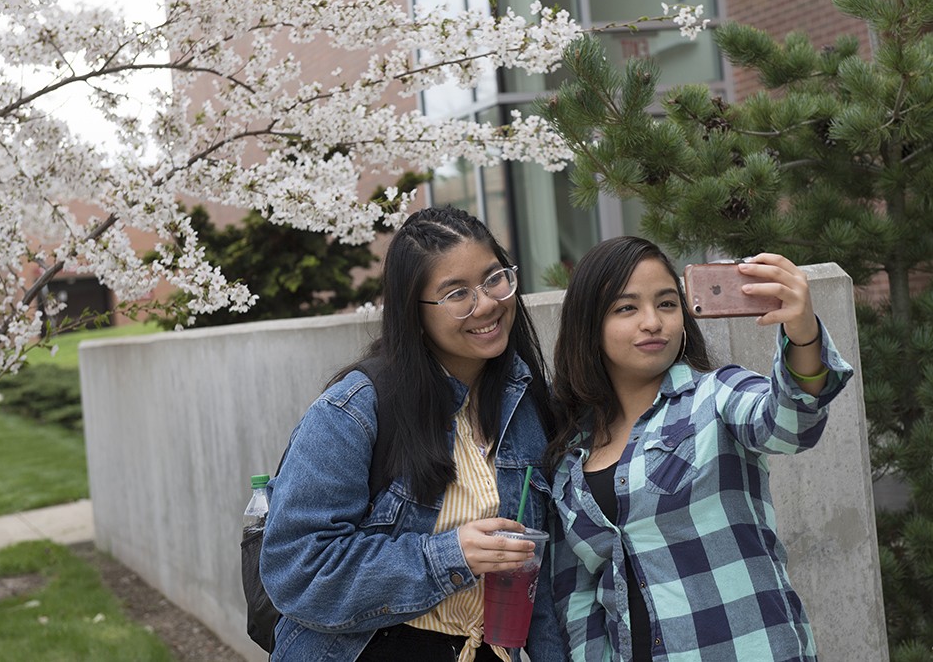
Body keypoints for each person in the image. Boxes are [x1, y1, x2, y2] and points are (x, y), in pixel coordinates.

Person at [260, 206, 568, 662]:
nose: (486, 304)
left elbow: (540, 583)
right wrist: (450, 555)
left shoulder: (527, 403)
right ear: (414, 311)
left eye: (493, 279)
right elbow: (297, 571)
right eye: (457, 294)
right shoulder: (353, 411)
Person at [545, 236, 853, 662]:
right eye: (626, 308)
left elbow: (789, 424)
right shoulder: (569, 456)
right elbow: (577, 597)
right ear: (588, 325)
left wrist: (803, 336)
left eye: (667, 304)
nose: (653, 322)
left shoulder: (717, 394)